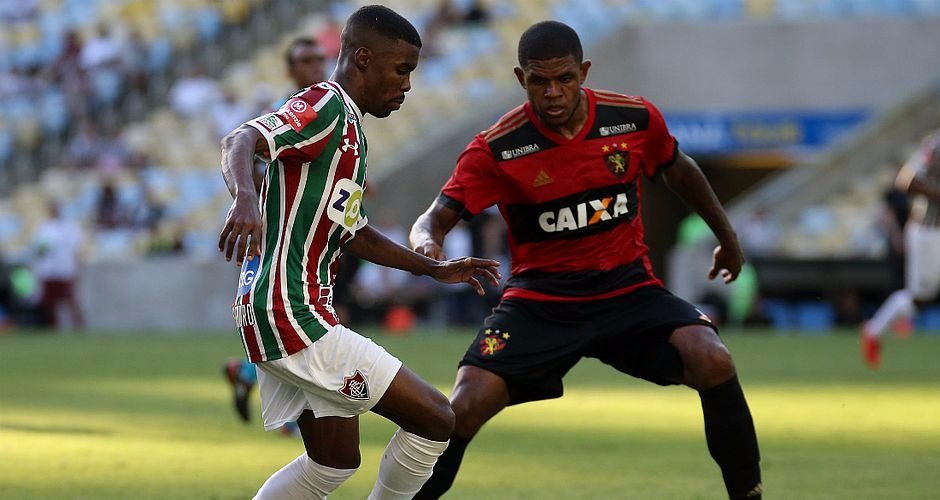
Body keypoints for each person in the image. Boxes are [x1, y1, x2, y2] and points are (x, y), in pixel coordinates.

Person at [409, 21, 762, 500]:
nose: (553, 93)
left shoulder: (633, 119)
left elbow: (679, 170)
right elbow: (433, 217)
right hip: (541, 300)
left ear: (584, 72)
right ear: (521, 78)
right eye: (540, 81)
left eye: (565, 79)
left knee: (712, 358)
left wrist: (727, 235)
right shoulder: (497, 147)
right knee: (464, 406)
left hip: (629, 291)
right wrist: (428, 247)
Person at [217, 6, 501, 499]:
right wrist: (245, 197)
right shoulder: (326, 106)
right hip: (292, 311)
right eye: (401, 70)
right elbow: (242, 139)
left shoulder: (351, 131)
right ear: (364, 59)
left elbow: (355, 234)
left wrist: (433, 268)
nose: (407, 85)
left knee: (332, 462)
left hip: (290, 310)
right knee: (437, 418)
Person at [223, 36, 329, 425]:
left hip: (317, 234)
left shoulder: (328, 110)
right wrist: (249, 200)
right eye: (306, 61)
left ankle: (246, 374)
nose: (316, 66)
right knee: (294, 315)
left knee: (318, 318)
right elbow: (241, 147)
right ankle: (298, 416)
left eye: (320, 59)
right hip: (279, 235)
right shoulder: (280, 113)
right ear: (290, 70)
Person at [861, 129, 940, 369]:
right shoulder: (936, 146)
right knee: (920, 298)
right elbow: (906, 180)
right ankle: (873, 331)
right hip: (930, 230)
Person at [32, 202, 85, 330]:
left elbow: (76, 248)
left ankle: (79, 324)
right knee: (49, 301)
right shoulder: (44, 227)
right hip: (49, 269)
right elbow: (38, 248)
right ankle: (53, 325)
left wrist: (76, 268)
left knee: (69, 298)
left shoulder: (69, 227)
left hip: (64, 268)